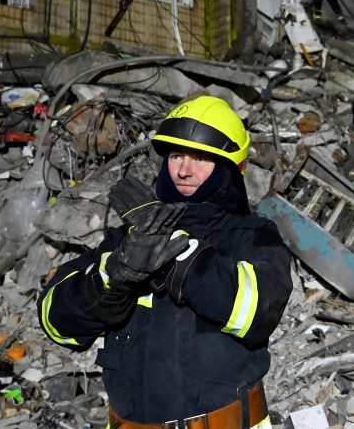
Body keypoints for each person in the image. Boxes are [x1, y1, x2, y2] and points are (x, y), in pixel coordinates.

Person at [37, 95, 292, 429]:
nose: (183, 170)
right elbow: (56, 323)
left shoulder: (253, 236)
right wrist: (112, 277)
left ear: (231, 166)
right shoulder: (127, 238)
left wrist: (173, 252)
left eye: (200, 158)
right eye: (175, 156)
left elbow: (256, 312)